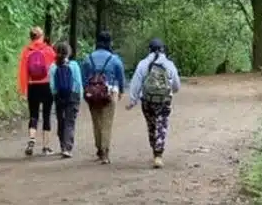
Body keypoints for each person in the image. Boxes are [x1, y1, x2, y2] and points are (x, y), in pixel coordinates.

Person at [127, 38, 181, 168]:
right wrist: (170, 91)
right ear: (163, 49)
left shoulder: (143, 64)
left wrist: (133, 100)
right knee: (161, 125)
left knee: (151, 125)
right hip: (164, 100)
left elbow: (136, 83)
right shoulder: (169, 64)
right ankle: (159, 154)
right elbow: (176, 86)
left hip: (147, 100)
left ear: (149, 49)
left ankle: (154, 150)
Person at [81, 30, 127, 164]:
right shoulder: (114, 59)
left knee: (96, 122)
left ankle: (99, 149)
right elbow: (120, 76)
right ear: (109, 43)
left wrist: (86, 90)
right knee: (107, 123)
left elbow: (84, 77)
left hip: (92, 95)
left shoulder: (88, 58)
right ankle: (105, 152)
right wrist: (122, 91)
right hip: (109, 93)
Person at [17, 26, 57, 156]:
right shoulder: (49, 50)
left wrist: (23, 90)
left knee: (33, 114)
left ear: (31, 37)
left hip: (33, 85)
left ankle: (32, 139)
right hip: (47, 86)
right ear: (42, 36)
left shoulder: (26, 51)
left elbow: (23, 72)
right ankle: (46, 147)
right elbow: (54, 69)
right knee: (46, 115)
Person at [48, 41, 83, 158]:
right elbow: (78, 83)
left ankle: (63, 145)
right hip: (73, 96)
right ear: (69, 52)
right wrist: (79, 97)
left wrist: (55, 94)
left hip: (59, 96)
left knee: (61, 121)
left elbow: (52, 85)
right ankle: (68, 148)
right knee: (70, 122)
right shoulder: (74, 65)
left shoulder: (53, 67)